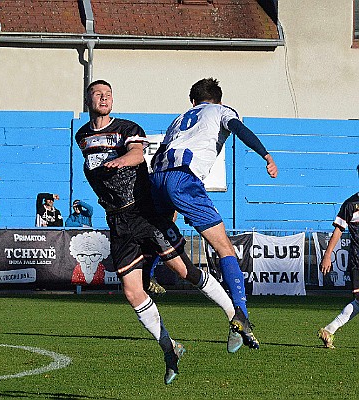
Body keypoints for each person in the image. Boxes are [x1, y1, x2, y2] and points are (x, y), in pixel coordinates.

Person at [75, 79, 248, 385]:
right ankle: (170, 348)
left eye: (108, 94)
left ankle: (234, 315)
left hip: (144, 213)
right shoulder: (83, 135)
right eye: (98, 94)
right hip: (117, 221)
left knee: (185, 271)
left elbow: (138, 155)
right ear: (88, 99)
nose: (104, 98)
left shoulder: (127, 128)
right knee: (131, 292)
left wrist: (121, 161)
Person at [150, 78, 278, 346]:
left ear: (193, 101)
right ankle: (240, 312)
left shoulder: (179, 119)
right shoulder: (221, 111)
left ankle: (147, 275)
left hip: (157, 178)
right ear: (217, 99)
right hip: (183, 179)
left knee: (163, 229)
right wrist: (266, 156)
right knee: (224, 248)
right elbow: (239, 129)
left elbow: (159, 155)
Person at [318, 192, 359, 348]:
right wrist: (327, 255)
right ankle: (329, 329)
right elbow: (338, 230)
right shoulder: (350, 205)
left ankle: (329, 330)